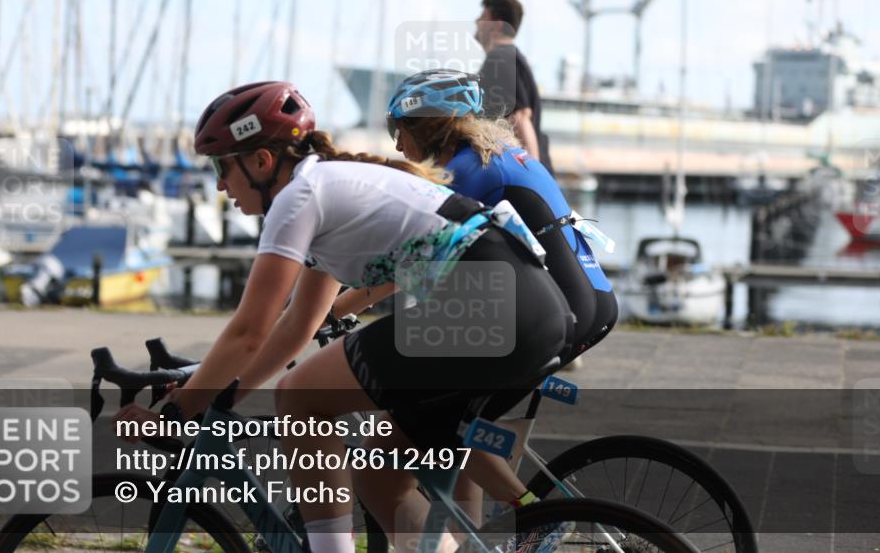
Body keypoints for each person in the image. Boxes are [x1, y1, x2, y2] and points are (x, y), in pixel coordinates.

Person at [113, 81, 574, 553]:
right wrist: (219, 396)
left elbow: (250, 332)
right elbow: (296, 328)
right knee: (377, 483)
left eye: (220, 167)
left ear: (260, 162)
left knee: (300, 396)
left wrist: (178, 411)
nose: (217, 185)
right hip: (527, 306)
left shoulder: (300, 197)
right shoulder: (324, 189)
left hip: (492, 305)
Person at [363, 68, 617, 536]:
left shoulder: (465, 171)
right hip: (591, 300)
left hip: (561, 313)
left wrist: (341, 304)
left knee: (419, 426)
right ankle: (478, 536)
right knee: (457, 423)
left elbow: (414, 258)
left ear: (426, 126)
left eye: (397, 129)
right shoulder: (501, 154)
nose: (397, 146)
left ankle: (540, 516)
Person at [475, 0, 553, 174]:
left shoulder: (500, 58)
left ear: (498, 25)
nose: (477, 21)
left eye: (483, 17)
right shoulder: (512, 57)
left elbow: (521, 117)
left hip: (524, 176)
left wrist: (533, 178)